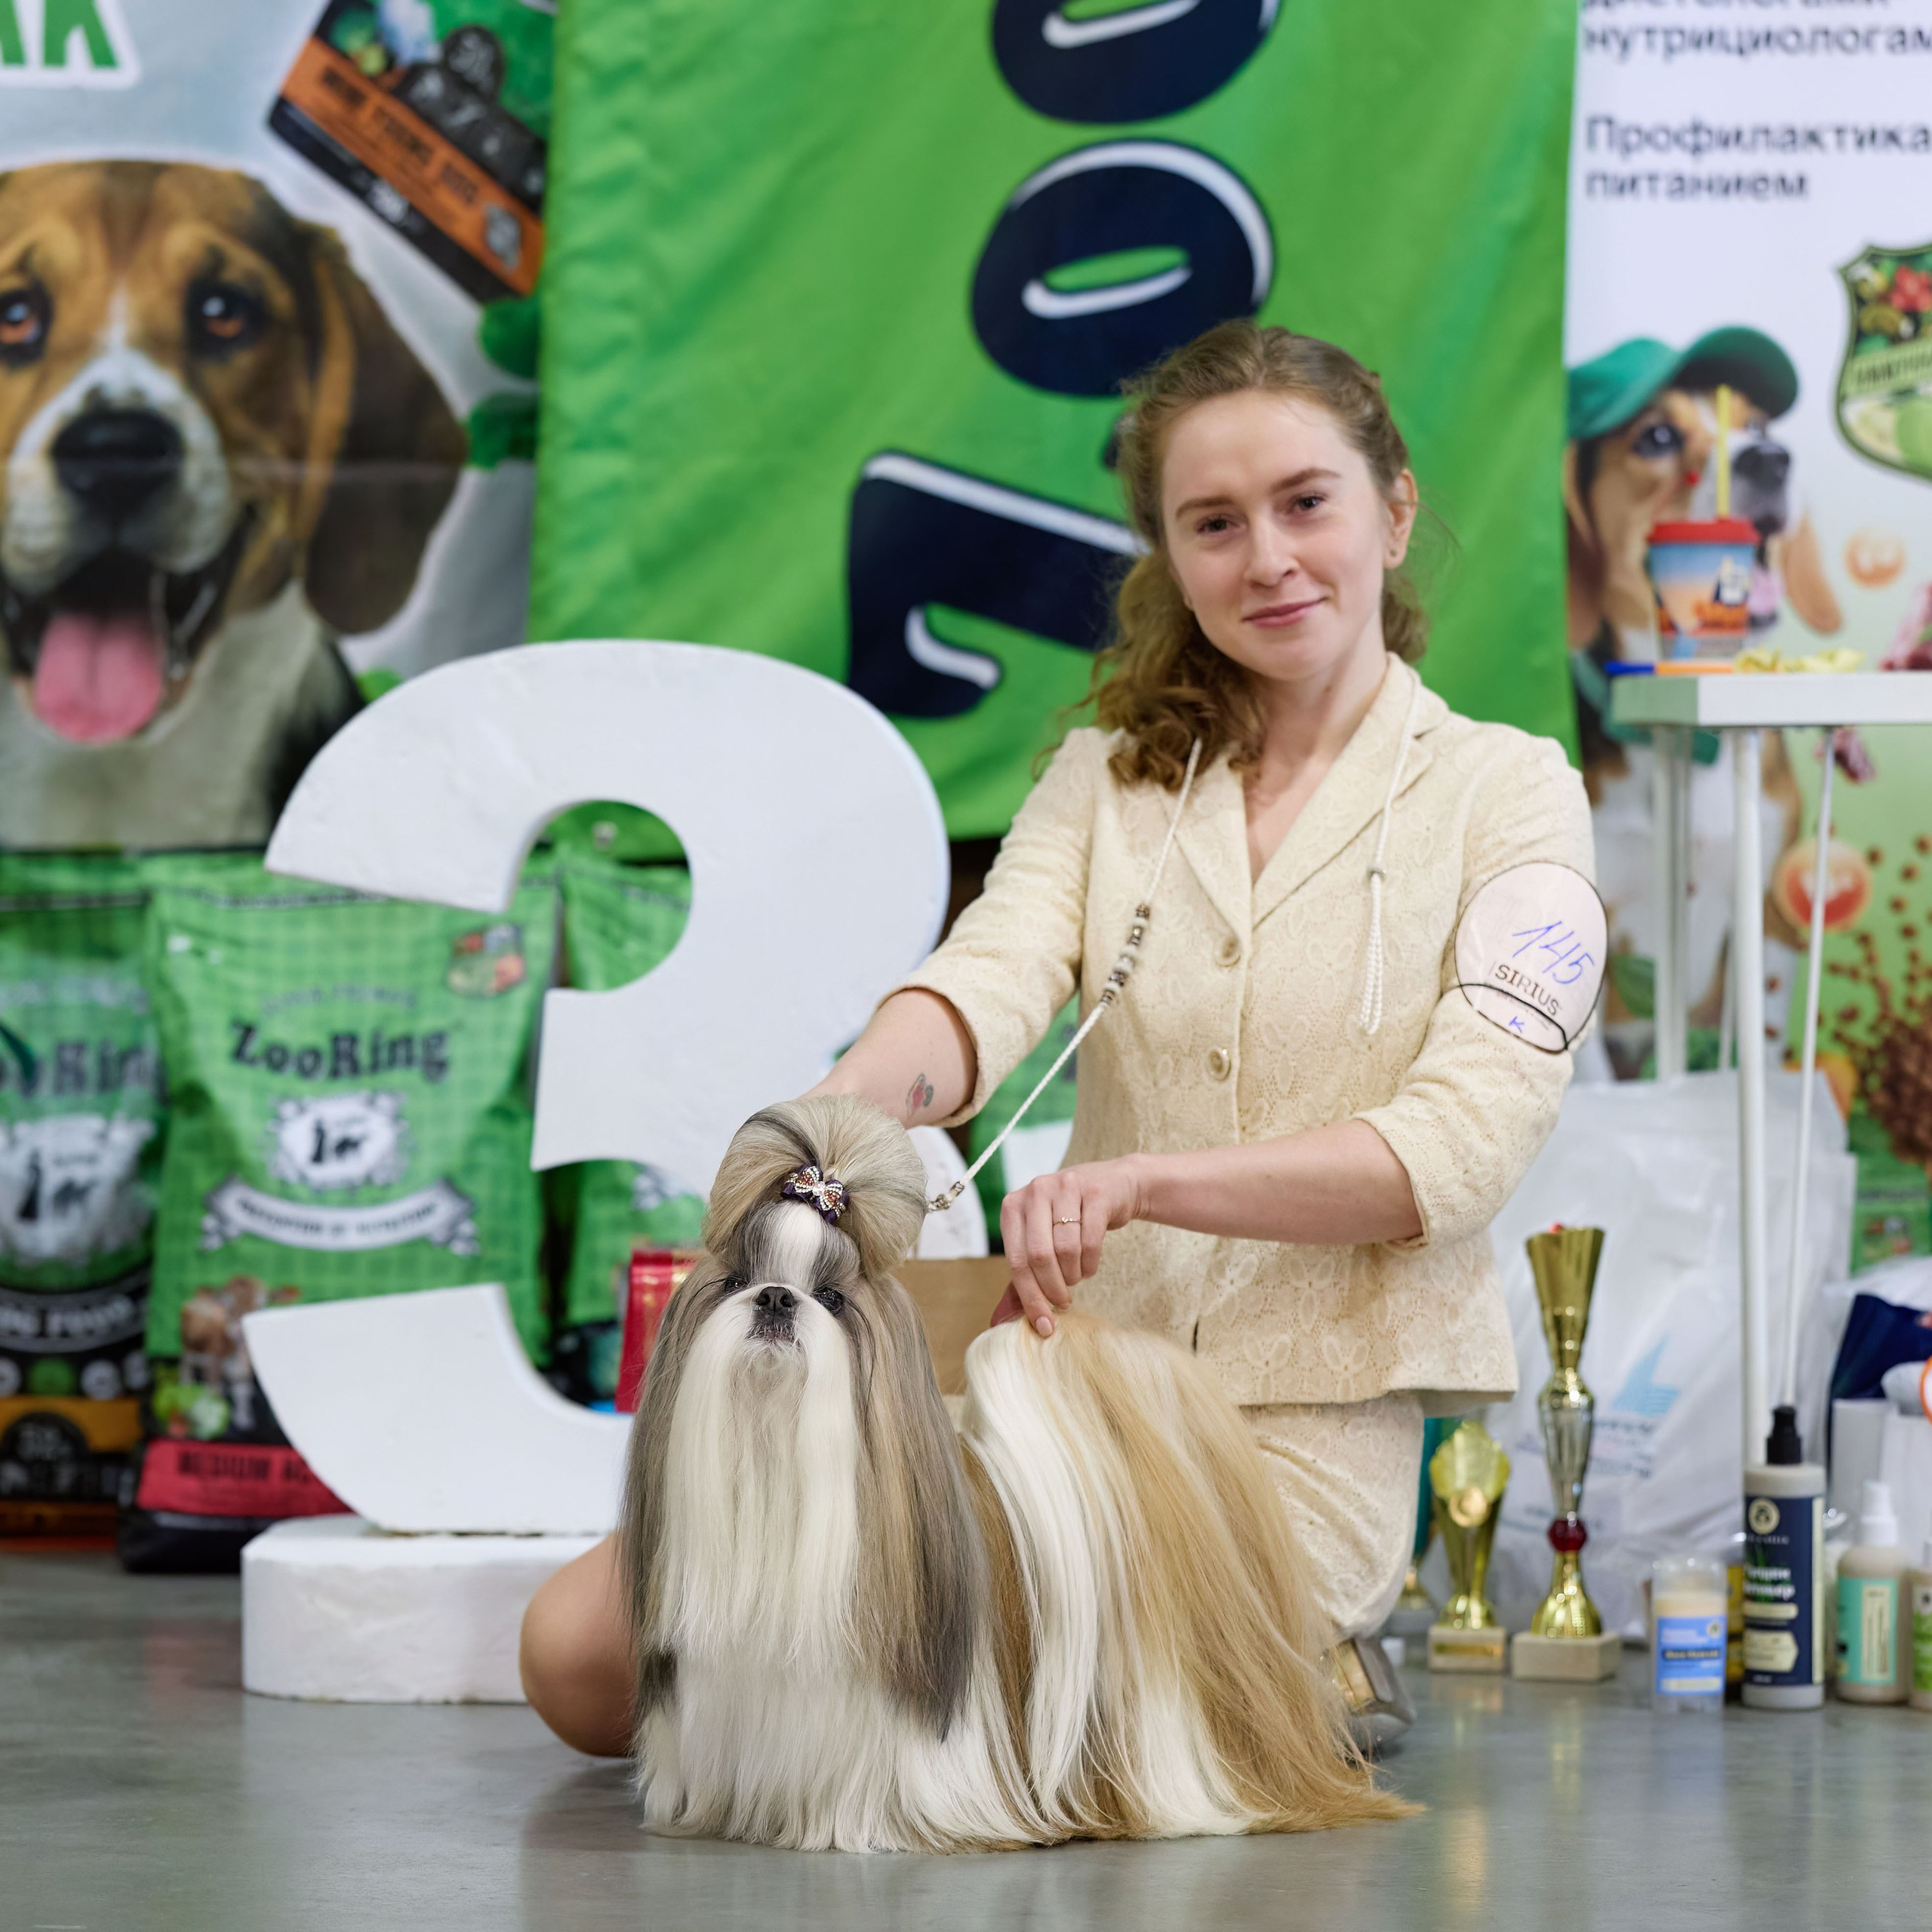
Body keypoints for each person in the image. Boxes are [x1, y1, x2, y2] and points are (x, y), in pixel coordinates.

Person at [520, 320, 1597, 1756]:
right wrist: (838, 1123)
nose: (1267, 556)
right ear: (1171, 558)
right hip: (1051, 1392)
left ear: (1393, 512)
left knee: (976, 1670)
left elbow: (1455, 1157)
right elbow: (985, 983)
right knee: (585, 1660)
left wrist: (1145, 1184)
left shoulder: (1512, 796)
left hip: (1293, 1444)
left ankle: (1297, 1664)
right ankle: (1242, 1711)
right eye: (1214, 524)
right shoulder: (1107, 780)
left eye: (1306, 502)